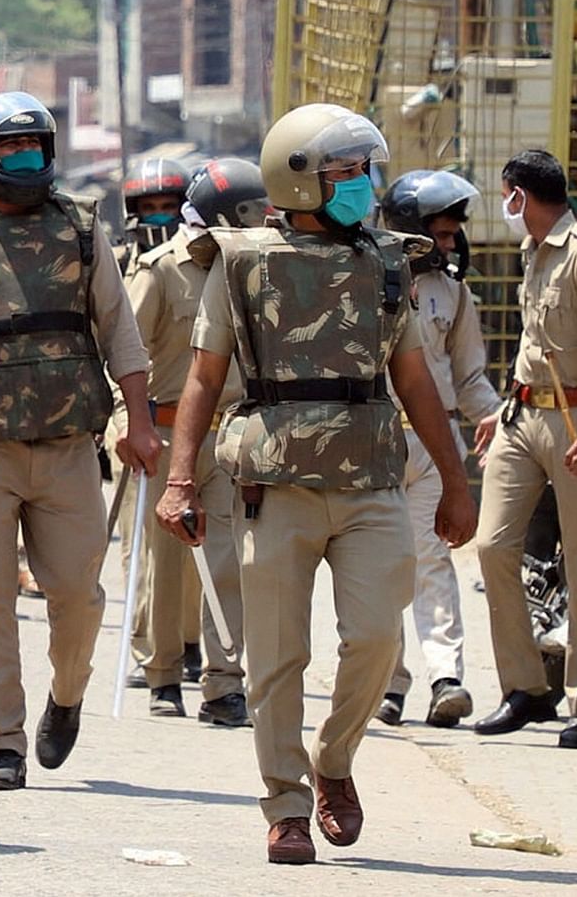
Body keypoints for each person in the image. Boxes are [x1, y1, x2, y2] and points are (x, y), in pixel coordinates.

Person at [155, 103, 477, 865]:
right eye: (346, 174)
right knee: (276, 656)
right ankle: (287, 804)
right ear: (298, 181)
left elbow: (418, 384)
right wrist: (179, 480)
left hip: (372, 477)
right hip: (276, 479)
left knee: (374, 637)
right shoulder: (239, 262)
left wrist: (457, 481)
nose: (364, 186)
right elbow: (204, 378)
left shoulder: (389, 263)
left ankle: (333, 759)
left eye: (365, 171)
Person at [0, 91, 163, 791]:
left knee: (79, 594)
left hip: (69, 443)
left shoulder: (80, 227)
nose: (25, 160)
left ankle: (66, 696)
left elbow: (120, 331)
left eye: (34, 148)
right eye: (10, 149)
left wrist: (139, 420)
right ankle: (4, 740)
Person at [472, 149, 577, 749]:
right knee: (492, 547)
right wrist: (501, 409)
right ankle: (525, 690)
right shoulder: (528, 252)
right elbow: (532, 339)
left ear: (523, 195)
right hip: (523, 413)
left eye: (507, 193)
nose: (505, 205)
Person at [120, 158, 265, 727]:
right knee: (165, 562)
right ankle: (162, 674)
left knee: (227, 561)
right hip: (163, 432)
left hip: (229, 438)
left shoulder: (249, 270)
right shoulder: (157, 271)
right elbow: (126, 357)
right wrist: (124, 426)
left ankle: (224, 684)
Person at [373, 170, 500, 729]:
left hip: (435, 445)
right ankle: (387, 682)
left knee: (433, 559)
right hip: (376, 437)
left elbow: (469, 373)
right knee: (379, 566)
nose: (450, 245)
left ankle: (446, 677)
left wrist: (493, 417)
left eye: (453, 235)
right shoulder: (366, 278)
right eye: (441, 235)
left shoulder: (455, 293)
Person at [111, 155, 205, 710]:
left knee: (192, 546)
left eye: (168, 206)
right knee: (141, 545)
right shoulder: (124, 262)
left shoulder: (195, 263)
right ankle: (151, 645)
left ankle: (189, 639)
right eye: (148, 208)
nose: (159, 216)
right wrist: (124, 422)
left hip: (191, 421)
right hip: (137, 416)